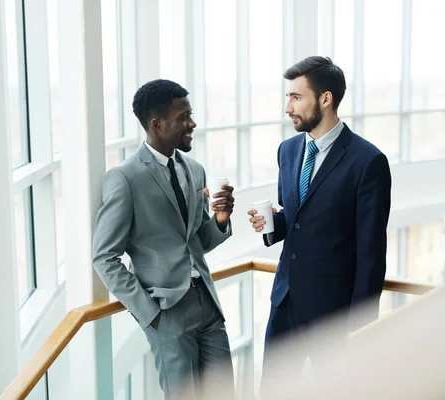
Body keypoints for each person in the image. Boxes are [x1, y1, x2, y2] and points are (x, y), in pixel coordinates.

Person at [247, 56, 392, 390]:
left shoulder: (368, 162)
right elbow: (296, 219)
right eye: (287, 97)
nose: (288, 107)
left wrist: (361, 326)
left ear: (325, 99)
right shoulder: (287, 150)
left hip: (334, 316)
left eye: (296, 97)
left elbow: (371, 254)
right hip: (285, 303)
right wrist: (270, 224)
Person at [92, 79, 236, 400]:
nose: (192, 123)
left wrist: (221, 221)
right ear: (157, 124)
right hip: (167, 312)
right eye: (183, 116)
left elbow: (196, 241)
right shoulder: (125, 178)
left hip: (207, 304)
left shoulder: (194, 170)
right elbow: (104, 257)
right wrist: (151, 316)